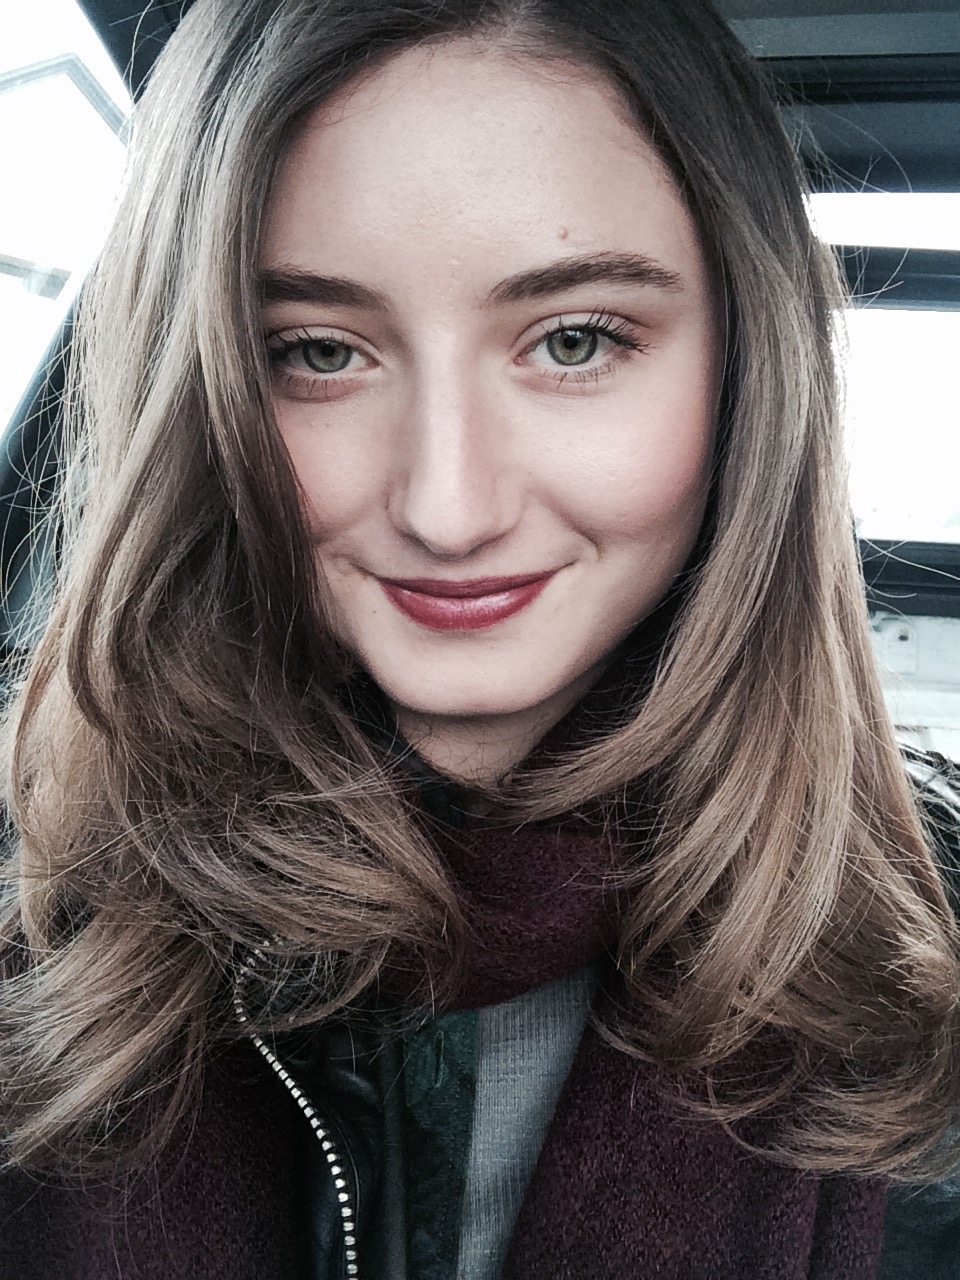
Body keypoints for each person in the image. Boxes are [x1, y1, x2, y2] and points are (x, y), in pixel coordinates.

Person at [1, 0, 959, 1276]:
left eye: (574, 340)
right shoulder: (33, 910)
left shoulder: (931, 960)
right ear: (199, 392)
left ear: (748, 368)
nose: (447, 509)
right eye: (319, 352)